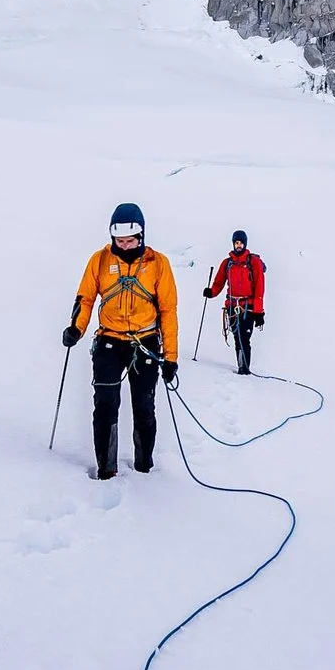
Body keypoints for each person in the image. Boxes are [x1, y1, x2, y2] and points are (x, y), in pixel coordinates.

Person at [62, 202, 179, 479]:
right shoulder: (99, 260)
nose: (124, 245)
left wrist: (171, 357)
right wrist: (76, 329)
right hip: (109, 342)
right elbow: (86, 298)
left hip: (145, 343)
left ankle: (143, 465)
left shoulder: (158, 263)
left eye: (129, 241)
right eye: (119, 240)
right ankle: (106, 468)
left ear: (141, 237)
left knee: (143, 405)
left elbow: (168, 311)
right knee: (105, 404)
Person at [205, 229, 268, 376]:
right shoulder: (228, 263)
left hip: (248, 307)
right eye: (236, 243)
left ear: (245, 244)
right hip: (232, 306)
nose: (238, 245)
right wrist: (211, 292)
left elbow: (259, 287)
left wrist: (259, 312)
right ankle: (241, 366)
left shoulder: (254, 262)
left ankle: (244, 369)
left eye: (241, 243)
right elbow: (219, 282)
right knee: (236, 337)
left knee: (244, 337)